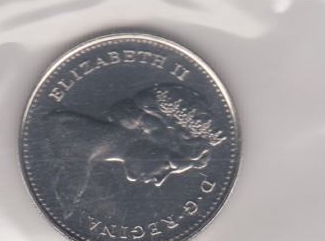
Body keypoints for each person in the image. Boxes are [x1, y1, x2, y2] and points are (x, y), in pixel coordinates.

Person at [42, 83, 229, 212]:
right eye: (168, 165)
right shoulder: (59, 134)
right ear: (148, 132)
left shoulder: (76, 162)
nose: (159, 180)